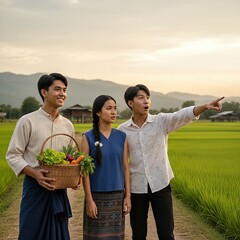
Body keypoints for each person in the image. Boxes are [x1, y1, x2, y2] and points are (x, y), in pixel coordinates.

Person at [117, 84, 224, 240]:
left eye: (148, 98)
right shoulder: (122, 130)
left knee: (166, 233)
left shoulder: (161, 122)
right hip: (136, 188)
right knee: (138, 234)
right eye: (141, 98)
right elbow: (122, 163)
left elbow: (182, 115)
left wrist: (205, 107)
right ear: (130, 103)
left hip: (160, 185)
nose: (146, 101)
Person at [6, 73, 80, 240]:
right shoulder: (28, 121)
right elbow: (13, 155)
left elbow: (70, 157)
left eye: (65, 90)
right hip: (35, 190)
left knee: (58, 235)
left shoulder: (67, 125)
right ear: (44, 92)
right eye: (57, 89)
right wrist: (35, 173)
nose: (62, 93)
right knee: (31, 233)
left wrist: (75, 175)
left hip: (58, 190)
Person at [81, 95, 131, 239]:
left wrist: (127, 196)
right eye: (109, 108)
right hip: (96, 197)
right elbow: (84, 172)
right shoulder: (87, 137)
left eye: (115, 108)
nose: (113, 112)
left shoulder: (122, 137)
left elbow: (125, 167)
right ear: (98, 112)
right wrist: (89, 200)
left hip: (117, 197)